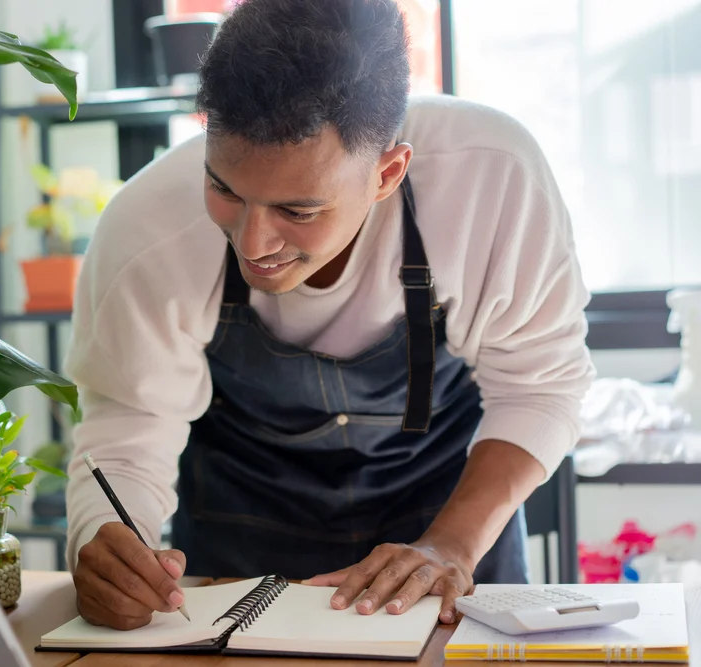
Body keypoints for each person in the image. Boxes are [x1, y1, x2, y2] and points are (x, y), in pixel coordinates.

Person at [62, 0, 595, 632]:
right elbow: (128, 430)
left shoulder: (491, 179)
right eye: (225, 189)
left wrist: (450, 544)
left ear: (387, 173)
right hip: (238, 547)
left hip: (449, 523)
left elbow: (541, 387)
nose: (253, 243)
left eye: (298, 209)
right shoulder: (147, 227)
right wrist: (105, 544)